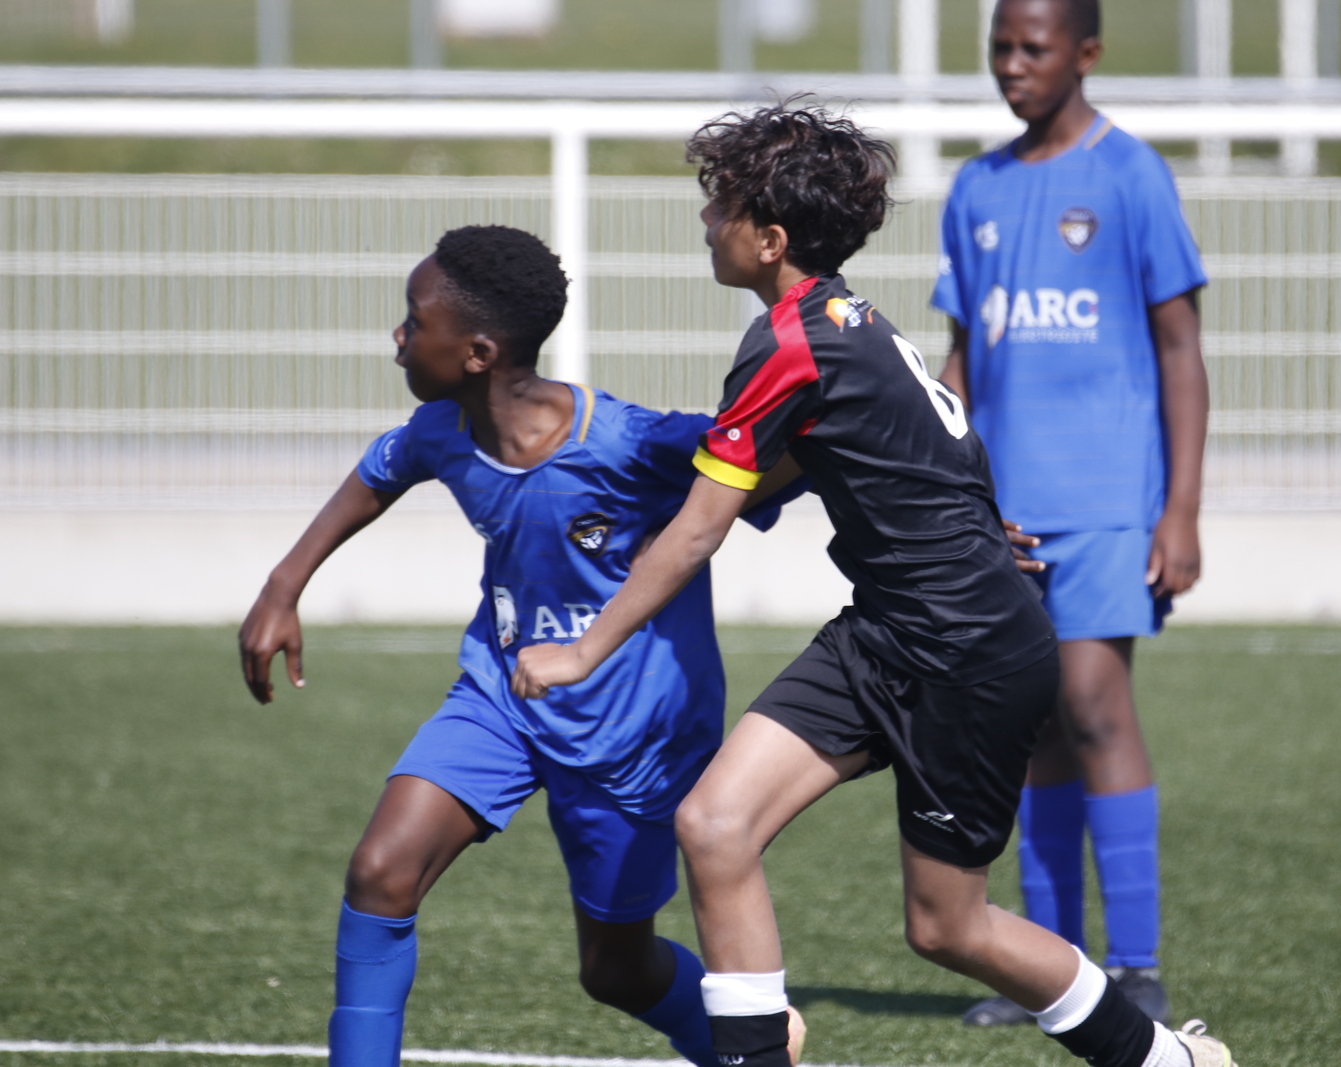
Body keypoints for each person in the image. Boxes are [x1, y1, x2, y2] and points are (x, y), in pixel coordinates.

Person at [513, 104, 1233, 1067]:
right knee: (715, 823)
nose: (705, 221)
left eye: (720, 206)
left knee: (948, 926)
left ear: (770, 240)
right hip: (888, 632)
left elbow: (700, 532)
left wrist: (582, 648)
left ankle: (1166, 1060)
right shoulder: (840, 322)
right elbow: (867, 455)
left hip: (967, 653)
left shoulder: (793, 343)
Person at [237, 224, 806, 1067]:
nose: (397, 335)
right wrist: (284, 585)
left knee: (614, 969)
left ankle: (760, 1044)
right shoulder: (442, 429)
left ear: (477, 352)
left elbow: (783, 456)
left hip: (633, 731)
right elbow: (379, 473)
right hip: (501, 694)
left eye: (413, 320)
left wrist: (949, 510)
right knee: (382, 870)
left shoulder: (626, 441)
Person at [932, 0, 1211, 1028]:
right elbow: (963, 355)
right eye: (999, 47)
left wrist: (1180, 510)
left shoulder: (1131, 175)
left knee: (1093, 703)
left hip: (1107, 501)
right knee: (1034, 722)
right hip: (1006, 512)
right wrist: (949, 487)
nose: (1011, 64)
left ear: (1085, 54)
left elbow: (1180, 349)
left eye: (1033, 48)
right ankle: (1052, 967)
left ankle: (1134, 965)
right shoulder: (977, 186)